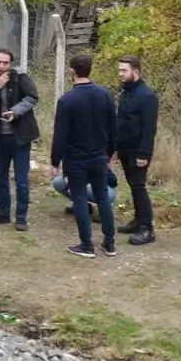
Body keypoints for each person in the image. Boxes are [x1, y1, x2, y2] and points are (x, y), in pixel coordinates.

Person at [51, 54, 117, 257]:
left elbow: (60, 134)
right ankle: (109, 242)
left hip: (76, 158)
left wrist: (55, 161)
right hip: (99, 156)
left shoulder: (66, 101)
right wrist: (111, 151)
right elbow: (113, 127)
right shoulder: (105, 95)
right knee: (102, 198)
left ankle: (86, 245)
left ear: (72, 71)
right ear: (90, 70)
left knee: (79, 197)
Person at [0, 49, 41, 231]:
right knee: (0, 176)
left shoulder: (20, 77)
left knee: (21, 179)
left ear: (10, 64)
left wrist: (16, 111)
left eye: (5, 63)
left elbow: (32, 97)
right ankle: (3, 212)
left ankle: (21, 217)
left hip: (20, 135)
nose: (1, 66)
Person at [115, 55, 159, 246]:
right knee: (133, 186)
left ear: (136, 72)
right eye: (119, 70)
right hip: (124, 147)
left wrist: (144, 154)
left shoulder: (147, 96)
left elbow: (149, 129)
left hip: (138, 150)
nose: (120, 74)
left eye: (124, 70)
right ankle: (138, 220)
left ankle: (147, 228)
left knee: (139, 187)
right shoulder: (126, 92)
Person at [53, 165, 119, 220]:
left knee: (85, 187)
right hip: (84, 184)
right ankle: (83, 206)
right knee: (58, 182)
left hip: (106, 190)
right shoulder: (71, 157)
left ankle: (104, 211)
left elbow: (113, 181)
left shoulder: (94, 156)